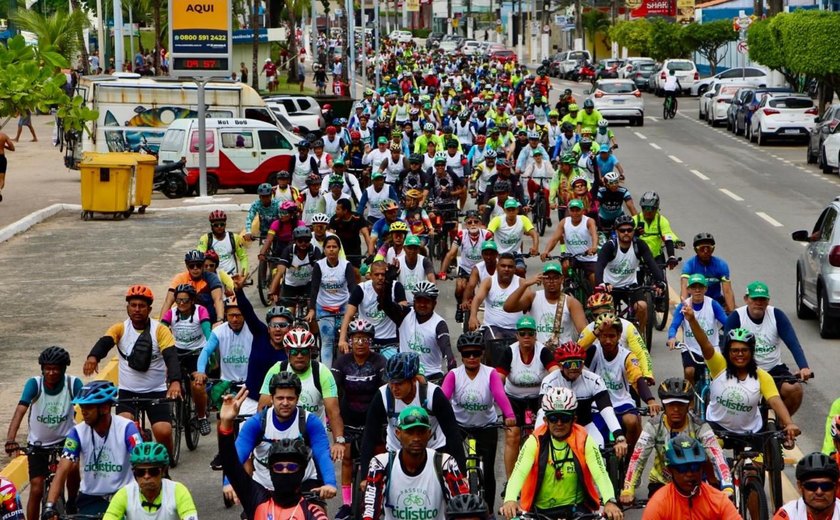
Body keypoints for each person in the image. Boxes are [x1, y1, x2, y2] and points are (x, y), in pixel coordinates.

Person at [84, 286, 182, 459]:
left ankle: (164, 465)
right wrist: (93, 357)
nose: (137, 309)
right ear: (127, 307)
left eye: (142, 306)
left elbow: (171, 357)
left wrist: (175, 382)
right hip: (128, 392)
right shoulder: (119, 329)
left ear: (149, 309)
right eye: (133, 305)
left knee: (164, 431)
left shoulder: (160, 330)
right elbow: (105, 342)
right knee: (124, 428)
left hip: (155, 392)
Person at [682, 300, 800, 444]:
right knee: (710, 459)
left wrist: (788, 423)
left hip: (750, 433)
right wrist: (692, 320)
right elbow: (704, 343)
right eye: (735, 350)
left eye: (744, 350)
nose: (739, 354)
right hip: (718, 429)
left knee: (753, 466)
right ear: (728, 352)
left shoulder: (762, 376)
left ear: (752, 352)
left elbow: (775, 400)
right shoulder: (719, 365)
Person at [500, 387, 623, 520]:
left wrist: (610, 501)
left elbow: (600, 473)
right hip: (539, 511)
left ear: (574, 419)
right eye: (553, 418)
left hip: (577, 509)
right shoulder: (534, 441)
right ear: (546, 420)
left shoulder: (584, 440)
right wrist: (510, 499)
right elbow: (519, 472)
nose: (559, 423)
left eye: (564, 418)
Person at [224, 372, 338, 507]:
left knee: (318, 512)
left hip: (304, 483)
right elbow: (237, 454)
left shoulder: (310, 422)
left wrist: (330, 483)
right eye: (280, 398)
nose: (285, 403)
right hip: (265, 485)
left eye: (290, 398)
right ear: (271, 398)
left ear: (297, 398)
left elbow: (323, 454)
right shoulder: (257, 423)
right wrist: (228, 482)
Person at [620, 378, 732, 504]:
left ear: (688, 405)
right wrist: (628, 489)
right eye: (671, 405)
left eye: (681, 405)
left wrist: (727, 484)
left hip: (692, 482)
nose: (676, 409)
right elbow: (638, 457)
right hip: (661, 482)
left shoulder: (699, 425)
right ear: (663, 405)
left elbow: (716, 454)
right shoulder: (653, 426)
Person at [43, 381, 143, 518]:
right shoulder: (77, 432)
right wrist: (50, 505)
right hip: (91, 498)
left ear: (105, 408)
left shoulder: (127, 428)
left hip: (123, 496)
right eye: (82, 407)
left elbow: (141, 461)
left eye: (89, 407)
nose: (83, 412)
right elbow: (62, 468)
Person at [359, 352, 467, 478]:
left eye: (399, 383)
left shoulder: (433, 394)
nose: (394, 388)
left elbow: (452, 434)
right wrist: (364, 477)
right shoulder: (382, 396)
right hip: (397, 452)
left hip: (433, 451)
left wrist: (462, 474)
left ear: (413, 380)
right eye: (391, 383)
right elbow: (369, 436)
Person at [5, 347, 82, 520]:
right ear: (42, 369)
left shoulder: (73, 384)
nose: (51, 372)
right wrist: (11, 439)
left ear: (63, 369)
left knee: (74, 469)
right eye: (47, 368)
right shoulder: (34, 384)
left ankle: (71, 502)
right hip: (38, 444)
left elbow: (87, 407)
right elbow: (20, 411)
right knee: (37, 487)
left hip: (66, 441)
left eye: (56, 368)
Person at [443, 332, 516, 511]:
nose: (472, 357)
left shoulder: (490, 373)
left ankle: (489, 511)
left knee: (489, 470)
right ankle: (452, 506)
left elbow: (499, 394)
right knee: (453, 468)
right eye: (467, 354)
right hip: (459, 426)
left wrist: (509, 414)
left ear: (482, 353)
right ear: (461, 355)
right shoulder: (454, 375)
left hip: (486, 426)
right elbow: (443, 399)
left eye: (476, 353)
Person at [363, 406, 470, 520]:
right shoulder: (381, 464)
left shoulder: (445, 463)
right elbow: (370, 510)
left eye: (421, 432)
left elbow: (462, 506)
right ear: (398, 433)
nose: (416, 438)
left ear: (429, 433)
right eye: (410, 432)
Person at [725, 280, 812, 416]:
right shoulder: (736, 317)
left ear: (768, 301)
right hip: (745, 369)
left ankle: (781, 426)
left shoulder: (777, 315)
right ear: (746, 299)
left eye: (763, 300)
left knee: (795, 390)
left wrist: (804, 367)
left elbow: (793, 343)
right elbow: (725, 347)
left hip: (774, 369)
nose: (759, 303)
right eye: (755, 299)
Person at [331, 319, 386, 519]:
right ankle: (346, 504)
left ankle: (378, 497)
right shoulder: (342, 362)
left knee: (379, 458)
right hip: (349, 419)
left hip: (374, 419)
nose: (360, 343)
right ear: (350, 341)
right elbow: (333, 391)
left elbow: (386, 389)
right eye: (356, 338)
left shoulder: (379, 361)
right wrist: (333, 418)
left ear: (370, 341)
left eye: (364, 339)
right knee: (346, 458)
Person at [496, 316, 560, 477]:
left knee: (542, 436)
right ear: (517, 335)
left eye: (530, 333)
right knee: (512, 436)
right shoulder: (509, 351)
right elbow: (499, 380)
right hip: (514, 399)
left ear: (535, 335)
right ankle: (511, 483)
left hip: (538, 399)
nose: (526, 337)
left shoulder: (543, 351)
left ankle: (542, 475)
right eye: (522, 333)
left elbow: (555, 373)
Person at [540, 341, 627, 456]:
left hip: (586, 425)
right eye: (569, 364)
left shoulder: (594, 380)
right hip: (558, 427)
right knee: (541, 451)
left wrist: (619, 436)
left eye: (578, 363)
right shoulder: (549, 382)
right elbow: (542, 412)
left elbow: (606, 409)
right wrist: (539, 439)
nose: (574, 368)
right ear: (560, 365)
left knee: (599, 451)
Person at [641, 434, 740, 520]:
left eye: (695, 467)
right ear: (670, 470)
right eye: (682, 468)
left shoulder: (719, 500)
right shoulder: (658, 504)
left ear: (702, 468)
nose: (690, 474)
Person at [596, 214, 665, 337]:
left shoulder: (639, 245)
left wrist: (660, 281)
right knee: (606, 315)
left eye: (629, 230)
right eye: (622, 230)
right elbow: (599, 265)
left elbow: (651, 263)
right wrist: (602, 283)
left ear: (634, 231)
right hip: (611, 287)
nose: (626, 233)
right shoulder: (610, 246)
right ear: (617, 232)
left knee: (643, 306)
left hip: (631, 286)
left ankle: (640, 334)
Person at [378, 281, 455, 384]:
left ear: (434, 303)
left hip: (431, 376)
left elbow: (446, 347)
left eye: (427, 301)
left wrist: (451, 364)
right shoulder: (404, 314)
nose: (422, 305)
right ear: (414, 301)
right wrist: (388, 282)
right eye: (419, 301)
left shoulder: (439, 324)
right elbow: (385, 304)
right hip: (405, 374)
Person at [160, 284, 212, 435]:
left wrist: (210, 352)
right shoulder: (171, 313)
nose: (181, 304)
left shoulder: (200, 311)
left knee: (197, 386)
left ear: (193, 300)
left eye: (185, 300)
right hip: (177, 352)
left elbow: (208, 333)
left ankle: (201, 417)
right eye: (178, 300)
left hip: (197, 353)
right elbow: (160, 331)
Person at [503, 262, 589, 348]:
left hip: (563, 354)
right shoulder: (533, 297)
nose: (551, 281)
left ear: (562, 279)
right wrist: (525, 284)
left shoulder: (571, 302)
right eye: (547, 278)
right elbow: (508, 307)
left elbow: (584, 332)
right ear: (543, 280)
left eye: (555, 278)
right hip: (539, 353)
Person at [103, 442, 198, 520]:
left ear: (163, 471)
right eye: (140, 472)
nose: (146, 476)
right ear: (134, 473)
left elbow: (190, 516)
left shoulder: (178, 491)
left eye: (153, 471)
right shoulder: (125, 494)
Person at [667, 274, 728, 385]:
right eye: (694, 287)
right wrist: (672, 337)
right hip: (691, 349)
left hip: (712, 348)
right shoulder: (684, 306)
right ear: (689, 289)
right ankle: (690, 399)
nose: (697, 290)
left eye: (700, 287)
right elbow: (674, 325)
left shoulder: (713, 304)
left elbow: (727, 323)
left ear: (705, 289)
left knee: (720, 378)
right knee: (689, 372)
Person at [308, 235, 357, 368]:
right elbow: (314, 289)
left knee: (345, 339)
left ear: (339, 249)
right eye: (328, 247)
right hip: (324, 308)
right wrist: (312, 309)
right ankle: (327, 373)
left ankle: (344, 370)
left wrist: (356, 306)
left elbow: (352, 286)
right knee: (327, 341)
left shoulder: (346, 265)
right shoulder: (319, 266)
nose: (331, 250)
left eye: (334, 247)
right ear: (324, 250)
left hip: (343, 307)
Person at [159, 250, 225, 325]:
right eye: (191, 266)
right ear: (187, 266)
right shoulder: (180, 278)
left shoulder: (211, 277)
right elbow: (168, 302)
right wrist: (161, 325)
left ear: (203, 265)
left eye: (199, 265)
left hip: (208, 319)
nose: (195, 268)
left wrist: (220, 320)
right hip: (185, 321)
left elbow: (218, 300)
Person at [541, 198, 599, 282]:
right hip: (571, 257)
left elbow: (594, 235)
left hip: (588, 257)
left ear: (583, 211)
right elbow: (554, 239)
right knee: (565, 267)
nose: (575, 213)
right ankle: (567, 285)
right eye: (572, 210)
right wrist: (546, 251)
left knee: (594, 278)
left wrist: (594, 247)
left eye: (577, 210)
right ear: (568, 211)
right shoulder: (564, 222)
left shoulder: (589, 221)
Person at [680, 232, 735, 312]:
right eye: (702, 248)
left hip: (716, 301)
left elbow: (727, 291)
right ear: (696, 250)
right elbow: (684, 287)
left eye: (708, 248)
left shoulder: (721, 265)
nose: (705, 251)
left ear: (713, 249)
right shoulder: (689, 265)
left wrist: (731, 313)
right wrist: (685, 308)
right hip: (695, 301)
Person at [775, 453, 840, 520]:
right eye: (811, 486)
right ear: (800, 486)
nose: (819, 492)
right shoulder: (788, 514)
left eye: (826, 486)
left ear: (837, 486)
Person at [197, 209, 248, 276]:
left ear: (225, 224)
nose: (219, 227)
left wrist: (244, 273)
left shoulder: (234, 238)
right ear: (211, 226)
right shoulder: (205, 239)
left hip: (232, 276)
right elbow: (200, 257)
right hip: (213, 277)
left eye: (222, 224)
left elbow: (243, 257)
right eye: (216, 225)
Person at [329, 198, 372, 270]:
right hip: (341, 251)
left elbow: (366, 235)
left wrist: (370, 253)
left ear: (345, 211)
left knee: (355, 274)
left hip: (355, 251)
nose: (335, 211)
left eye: (338, 209)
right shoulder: (335, 219)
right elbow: (330, 236)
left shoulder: (358, 218)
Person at [0, 130, 14, 202]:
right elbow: (12, 148)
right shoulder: (4, 136)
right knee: (2, 179)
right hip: (1, 158)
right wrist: (4, 146)